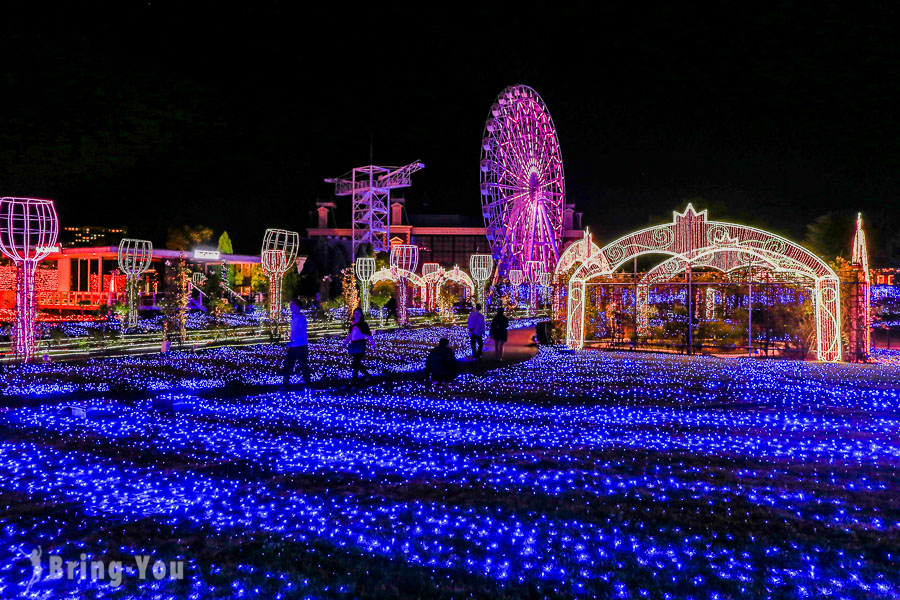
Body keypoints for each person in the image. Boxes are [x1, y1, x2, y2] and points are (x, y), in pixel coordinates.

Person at [281, 298, 311, 386]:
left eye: (292, 305)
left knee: (302, 365)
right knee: (289, 364)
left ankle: (308, 383)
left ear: (297, 306)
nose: (290, 306)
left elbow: (297, 330)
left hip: (300, 344)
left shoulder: (300, 317)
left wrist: (291, 338)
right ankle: (285, 383)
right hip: (295, 344)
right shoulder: (295, 317)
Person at [345, 307, 376, 382]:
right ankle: (366, 376)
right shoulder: (352, 324)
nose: (356, 315)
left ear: (361, 315)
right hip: (353, 344)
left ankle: (355, 380)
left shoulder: (363, 324)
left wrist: (373, 344)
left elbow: (368, 335)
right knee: (356, 363)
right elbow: (349, 335)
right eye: (355, 313)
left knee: (355, 363)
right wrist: (345, 343)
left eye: (358, 313)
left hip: (360, 344)